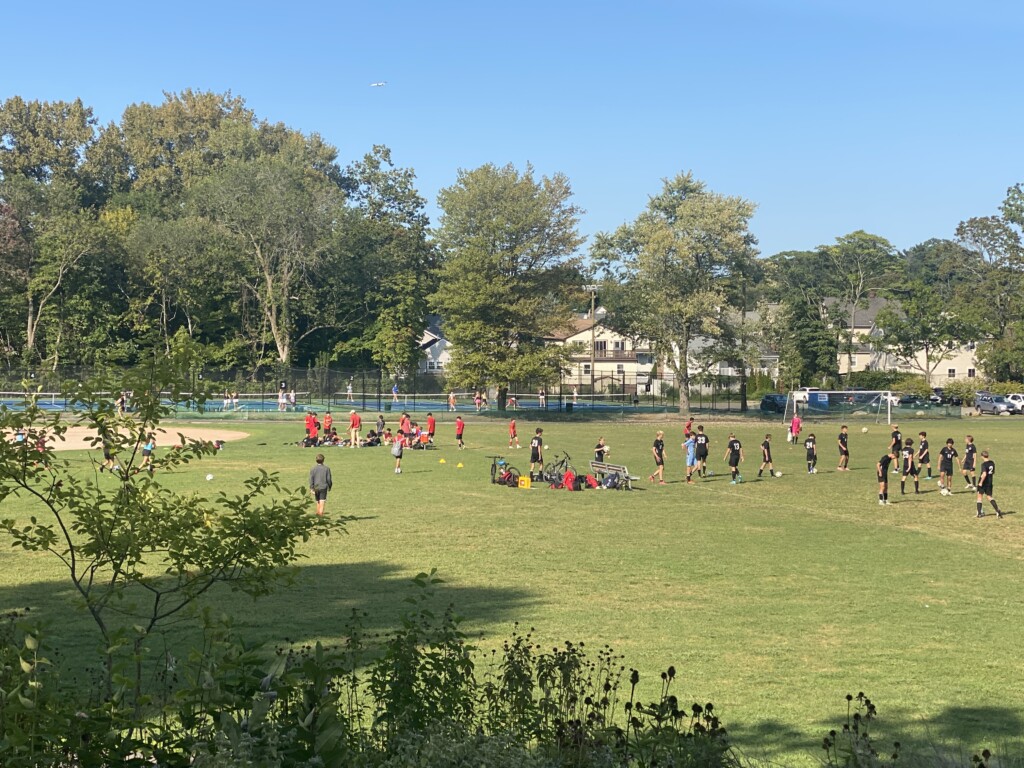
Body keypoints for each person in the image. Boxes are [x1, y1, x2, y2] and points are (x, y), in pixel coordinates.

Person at [975, 450, 1003, 518]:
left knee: (979, 497)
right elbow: (992, 472)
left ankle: (979, 513)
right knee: (989, 497)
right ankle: (997, 511)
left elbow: (984, 474)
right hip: (990, 482)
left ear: (982, 456)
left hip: (983, 482)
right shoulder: (992, 463)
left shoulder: (983, 464)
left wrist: (981, 482)